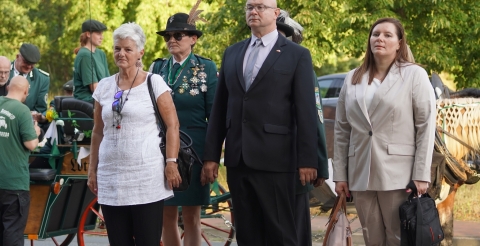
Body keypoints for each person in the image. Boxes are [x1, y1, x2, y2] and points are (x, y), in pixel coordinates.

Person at [201, 0, 319, 244]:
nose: (253, 11)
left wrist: (308, 160)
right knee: (247, 233)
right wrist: (211, 156)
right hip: (238, 158)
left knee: (281, 233)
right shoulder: (232, 52)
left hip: (276, 159)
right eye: (249, 7)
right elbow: (220, 107)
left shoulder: (297, 55)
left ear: (275, 13)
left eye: (260, 7)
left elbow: (306, 111)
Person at [333, 17, 436, 246]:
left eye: (388, 35)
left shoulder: (414, 75)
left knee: (399, 237)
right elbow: (342, 129)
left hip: (399, 174)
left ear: (399, 43)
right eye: (375, 34)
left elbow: (426, 126)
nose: (380, 38)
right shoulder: (353, 78)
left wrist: (421, 174)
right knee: (371, 237)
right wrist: (340, 174)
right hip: (361, 172)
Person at [87, 22, 181, 246]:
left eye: (128, 49)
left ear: (140, 52)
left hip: (145, 178)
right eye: (117, 48)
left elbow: (173, 125)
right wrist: (92, 169)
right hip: (111, 178)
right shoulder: (104, 86)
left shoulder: (154, 82)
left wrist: (171, 162)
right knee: (118, 242)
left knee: (147, 241)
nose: (121, 53)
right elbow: (98, 132)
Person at [149, 3, 218, 245]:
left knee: (191, 215)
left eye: (178, 35)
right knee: (166, 213)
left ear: (193, 39)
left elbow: (215, 117)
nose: (171, 40)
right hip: (162, 148)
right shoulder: (157, 68)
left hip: (196, 150)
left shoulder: (206, 68)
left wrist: (211, 158)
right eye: (168, 36)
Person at [276, 9, 328, 246]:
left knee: (295, 230)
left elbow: (314, 117)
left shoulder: (301, 65)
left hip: (293, 161)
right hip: (259, 163)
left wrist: (319, 162)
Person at [0, 76, 41, 245]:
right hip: (13, 183)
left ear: (9, 86)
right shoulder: (22, 110)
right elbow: (31, 144)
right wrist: (36, 132)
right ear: (26, 92)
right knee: (12, 231)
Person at [29, 79, 75, 169]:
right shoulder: (57, 103)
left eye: (72, 92)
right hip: (54, 145)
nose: (70, 96)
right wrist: (41, 118)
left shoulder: (88, 104)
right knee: (34, 168)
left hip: (76, 146)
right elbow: (50, 113)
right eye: (68, 92)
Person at [8, 43, 50, 124]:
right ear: (17, 57)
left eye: (33, 64)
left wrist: (39, 116)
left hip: (26, 123)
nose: (29, 66)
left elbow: (41, 109)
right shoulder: (4, 70)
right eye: (26, 62)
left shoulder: (42, 79)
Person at [73, 19, 110, 103]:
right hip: (87, 100)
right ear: (88, 34)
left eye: (102, 34)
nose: (102, 37)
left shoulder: (101, 54)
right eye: (98, 33)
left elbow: (108, 81)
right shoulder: (85, 55)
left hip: (101, 97)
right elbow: (95, 88)